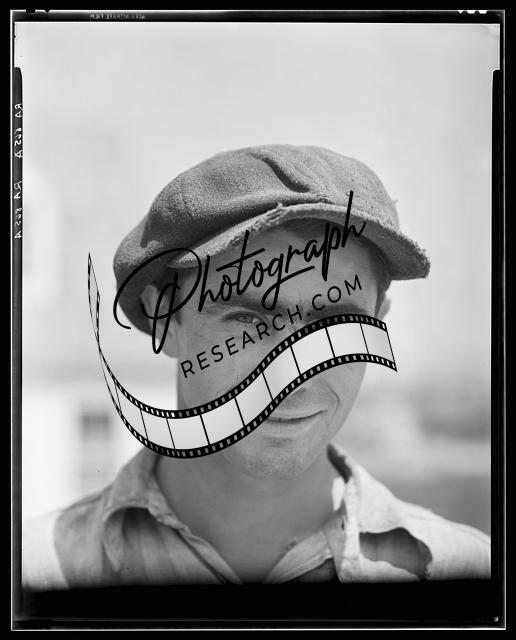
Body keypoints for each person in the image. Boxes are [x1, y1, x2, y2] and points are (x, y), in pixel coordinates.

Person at [22, 144, 490, 589]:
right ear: (166, 319)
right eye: (249, 321)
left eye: (334, 324)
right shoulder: (34, 576)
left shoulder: (468, 575)